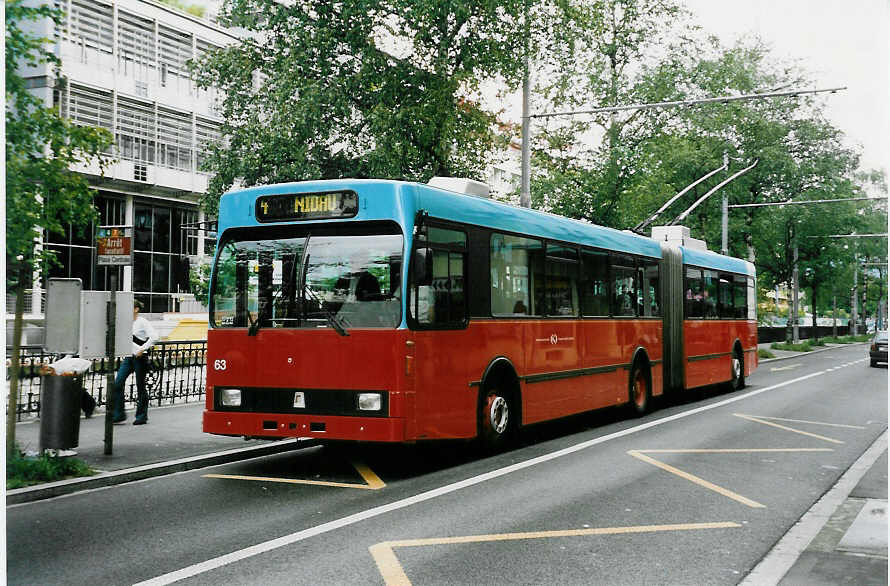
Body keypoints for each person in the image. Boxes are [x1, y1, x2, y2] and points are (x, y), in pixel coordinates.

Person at [112, 300, 158, 425]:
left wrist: (142, 349)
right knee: (117, 383)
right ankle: (119, 414)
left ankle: (142, 416)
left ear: (136, 309)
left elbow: (155, 337)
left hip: (140, 358)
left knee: (140, 386)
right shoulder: (126, 322)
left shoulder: (142, 322)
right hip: (128, 357)